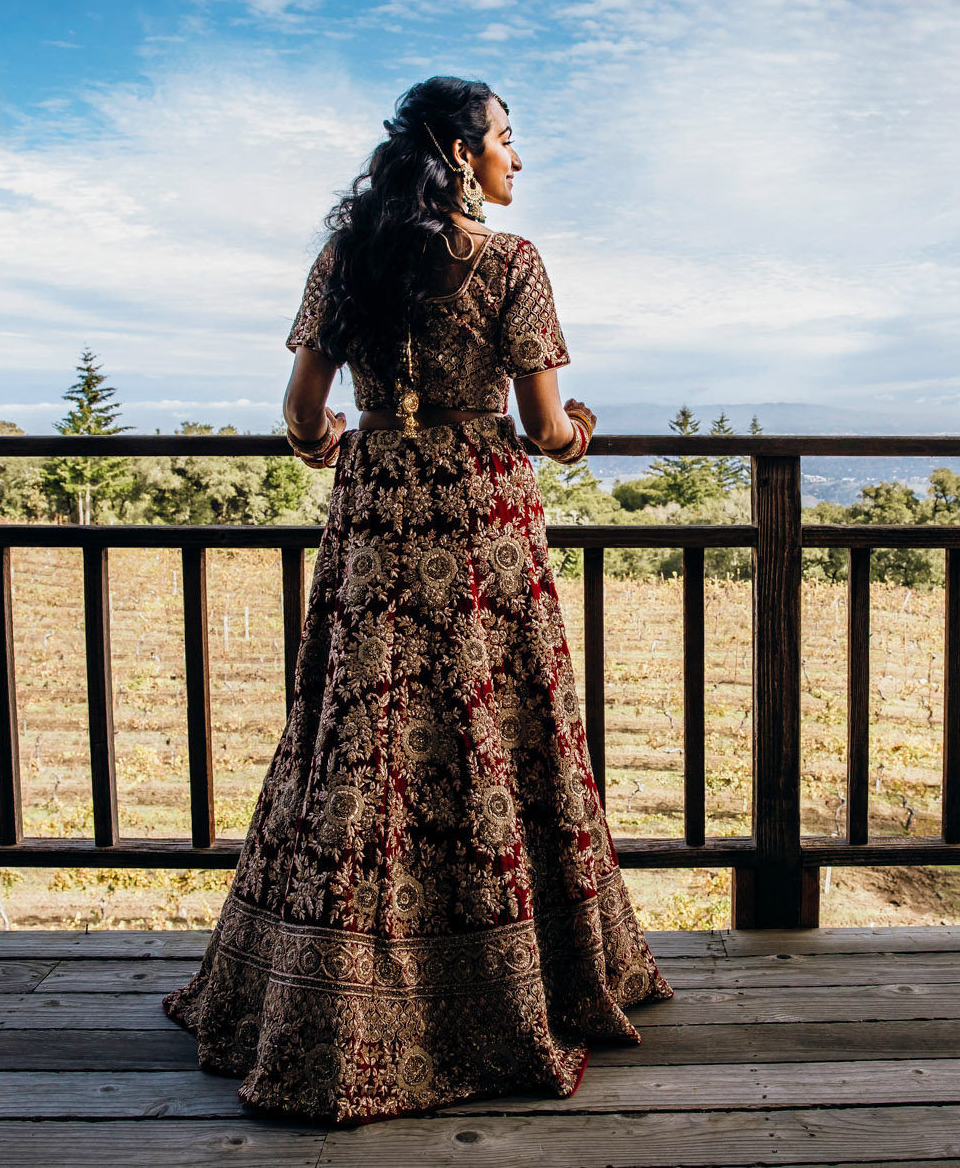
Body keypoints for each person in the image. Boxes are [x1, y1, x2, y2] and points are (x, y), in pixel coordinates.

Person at [162, 76, 674, 1122]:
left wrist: (329, 447)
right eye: (505, 140)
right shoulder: (511, 264)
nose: (516, 159)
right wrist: (578, 430)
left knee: (362, 739)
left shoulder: (346, 257)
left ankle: (329, 990)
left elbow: (302, 411)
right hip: (480, 527)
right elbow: (539, 430)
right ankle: (517, 981)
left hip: (374, 515)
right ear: (458, 148)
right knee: (491, 729)